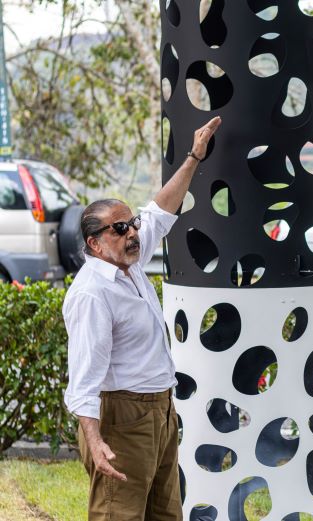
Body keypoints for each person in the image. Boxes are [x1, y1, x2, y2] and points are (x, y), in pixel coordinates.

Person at [63, 116, 222, 520]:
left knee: (165, 514)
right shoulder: (92, 293)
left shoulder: (128, 262)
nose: (133, 231)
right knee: (118, 514)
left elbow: (161, 211)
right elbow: (83, 378)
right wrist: (95, 440)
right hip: (122, 416)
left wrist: (194, 156)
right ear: (95, 243)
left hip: (161, 412)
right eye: (120, 228)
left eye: (131, 223)